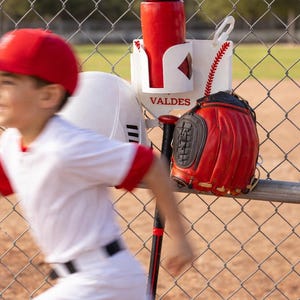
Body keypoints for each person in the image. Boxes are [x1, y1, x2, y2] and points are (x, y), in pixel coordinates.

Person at [0, 28, 194, 299]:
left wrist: (181, 238)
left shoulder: (68, 145)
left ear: (48, 96)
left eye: (8, 82)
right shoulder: (11, 142)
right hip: (83, 282)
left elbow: (150, 165)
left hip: (106, 280)